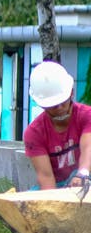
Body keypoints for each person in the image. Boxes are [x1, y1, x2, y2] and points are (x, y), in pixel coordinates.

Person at [23, 61, 91, 189]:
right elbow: (46, 177)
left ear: (71, 93)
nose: (60, 108)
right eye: (53, 105)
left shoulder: (87, 115)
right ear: (42, 104)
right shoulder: (34, 133)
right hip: (60, 186)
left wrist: (83, 173)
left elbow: (89, 148)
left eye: (63, 102)